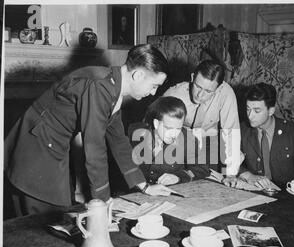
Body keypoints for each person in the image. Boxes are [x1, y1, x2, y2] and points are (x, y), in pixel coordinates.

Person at [4, 44, 173, 216]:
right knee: (44, 222)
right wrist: (103, 200)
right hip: (36, 148)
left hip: (51, 145)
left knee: (59, 214)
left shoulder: (113, 88)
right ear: (138, 75)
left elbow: (118, 141)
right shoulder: (100, 86)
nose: (153, 93)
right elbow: (94, 146)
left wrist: (143, 186)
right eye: (154, 85)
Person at [224, 82, 294, 192]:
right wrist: (248, 175)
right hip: (258, 193)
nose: (250, 116)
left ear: (271, 110)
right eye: (248, 109)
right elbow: (227, 158)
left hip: (290, 196)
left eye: (257, 110)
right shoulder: (242, 130)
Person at [163, 59, 240, 180]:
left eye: (208, 91)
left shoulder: (226, 93)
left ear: (219, 88)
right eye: (198, 87)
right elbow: (152, 126)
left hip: (210, 144)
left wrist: (231, 174)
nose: (200, 95)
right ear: (193, 77)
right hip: (179, 143)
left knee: (211, 182)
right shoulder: (174, 94)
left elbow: (231, 133)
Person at [129, 96, 210, 185]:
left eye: (178, 128)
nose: (174, 134)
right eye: (168, 128)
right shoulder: (136, 134)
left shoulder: (188, 140)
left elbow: (202, 169)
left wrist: (178, 177)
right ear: (156, 123)